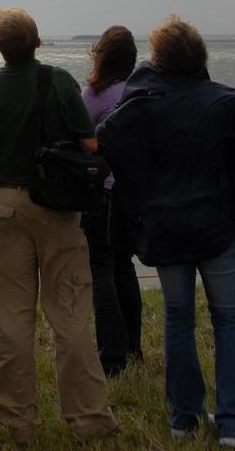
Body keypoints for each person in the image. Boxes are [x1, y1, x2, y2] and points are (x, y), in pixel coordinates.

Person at [98, 15, 235, 449]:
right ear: (201, 57)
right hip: (217, 229)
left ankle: (185, 418)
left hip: (165, 229)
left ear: (158, 59)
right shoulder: (226, 101)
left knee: (179, 319)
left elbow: (107, 142)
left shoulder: (140, 101)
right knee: (228, 319)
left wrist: (143, 189)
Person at [0, 8, 118, 446]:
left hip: (8, 206)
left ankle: (16, 422)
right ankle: (89, 418)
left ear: (0, 48)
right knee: (69, 315)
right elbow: (89, 144)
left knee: (11, 320)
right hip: (59, 209)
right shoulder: (62, 82)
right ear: (38, 42)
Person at [80, 25, 143, 377]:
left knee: (101, 269)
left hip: (101, 191)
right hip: (131, 192)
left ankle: (112, 356)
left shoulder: (95, 93)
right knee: (124, 267)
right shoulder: (138, 92)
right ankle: (133, 348)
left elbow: (79, 133)